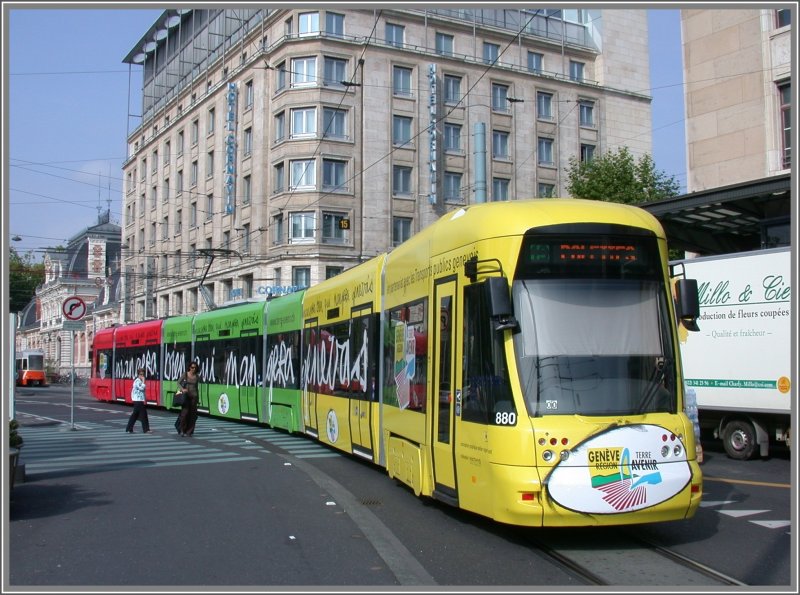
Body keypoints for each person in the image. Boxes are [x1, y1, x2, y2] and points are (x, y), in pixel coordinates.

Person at [176, 362, 200, 437]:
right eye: (192, 367)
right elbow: (178, 383)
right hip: (186, 396)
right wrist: (182, 389)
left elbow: (196, 388)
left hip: (194, 396)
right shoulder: (185, 374)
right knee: (184, 413)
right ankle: (182, 430)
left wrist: (198, 399)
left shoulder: (197, 376)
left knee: (193, 415)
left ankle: (189, 431)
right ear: (189, 367)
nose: (193, 369)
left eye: (195, 367)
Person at [126, 368, 153, 434]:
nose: (142, 376)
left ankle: (129, 428)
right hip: (138, 400)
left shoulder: (139, 381)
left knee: (135, 415)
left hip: (139, 400)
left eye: (143, 375)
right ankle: (146, 429)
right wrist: (143, 381)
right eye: (141, 374)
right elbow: (141, 388)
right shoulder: (137, 381)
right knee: (143, 415)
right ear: (138, 375)